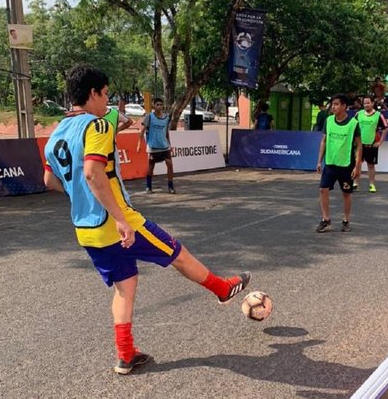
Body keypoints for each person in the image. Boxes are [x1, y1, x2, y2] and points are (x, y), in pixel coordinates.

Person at [43, 65, 251, 375]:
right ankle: (222, 288)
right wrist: (119, 218)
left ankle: (126, 354)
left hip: (86, 229)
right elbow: (91, 172)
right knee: (176, 253)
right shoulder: (96, 126)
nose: (107, 100)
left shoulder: (55, 134)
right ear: (93, 93)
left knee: (125, 286)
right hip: (117, 222)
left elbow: (50, 181)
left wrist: (83, 199)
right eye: (106, 94)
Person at [316, 93, 362, 233]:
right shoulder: (329, 120)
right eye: (332, 104)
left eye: (336, 104)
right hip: (330, 163)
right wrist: (319, 161)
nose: (333, 107)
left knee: (346, 193)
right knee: (323, 189)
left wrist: (357, 166)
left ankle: (346, 220)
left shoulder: (353, 123)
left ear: (344, 106)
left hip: (346, 165)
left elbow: (359, 145)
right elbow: (324, 141)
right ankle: (326, 219)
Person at [137, 97, 175, 194]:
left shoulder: (166, 118)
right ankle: (148, 187)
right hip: (153, 147)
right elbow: (142, 130)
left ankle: (170, 186)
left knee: (170, 164)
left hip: (164, 146)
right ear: (154, 106)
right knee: (151, 167)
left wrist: (169, 144)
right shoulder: (149, 117)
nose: (159, 107)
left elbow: (166, 131)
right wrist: (139, 144)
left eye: (161, 105)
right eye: (157, 105)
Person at [354, 97, 388, 193]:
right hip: (359, 145)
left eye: (368, 103)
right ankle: (356, 184)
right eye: (364, 103)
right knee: (357, 164)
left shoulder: (378, 115)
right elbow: (352, 126)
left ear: (372, 103)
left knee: (371, 165)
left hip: (371, 145)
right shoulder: (358, 114)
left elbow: (385, 128)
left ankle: (372, 185)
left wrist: (380, 142)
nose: (366, 105)